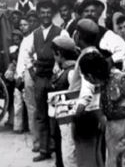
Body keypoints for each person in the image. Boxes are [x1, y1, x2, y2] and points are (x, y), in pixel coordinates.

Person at [17, 0, 70, 162]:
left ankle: (58, 149)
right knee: (41, 115)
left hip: (55, 79)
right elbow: (26, 53)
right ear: (39, 14)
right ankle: (44, 149)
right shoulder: (34, 34)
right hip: (40, 78)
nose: (45, 15)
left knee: (56, 114)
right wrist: (31, 71)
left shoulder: (61, 32)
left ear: (52, 14)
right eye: (42, 12)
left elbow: (68, 51)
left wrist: (59, 68)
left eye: (48, 12)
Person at [70, 24, 109, 167]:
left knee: (86, 154)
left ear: (78, 36)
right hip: (94, 110)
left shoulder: (87, 56)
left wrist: (78, 110)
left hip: (87, 112)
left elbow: (88, 87)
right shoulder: (92, 52)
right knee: (96, 152)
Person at [49, 36, 79, 167]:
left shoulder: (71, 72)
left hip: (68, 120)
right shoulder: (64, 69)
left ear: (59, 54)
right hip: (61, 118)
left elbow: (75, 95)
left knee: (68, 149)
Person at [5, 30, 24, 131]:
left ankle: (17, 122)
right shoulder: (11, 48)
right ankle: (11, 119)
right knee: (12, 99)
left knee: (17, 100)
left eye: (18, 39)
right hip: (13, 75)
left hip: (19, 74)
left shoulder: (22, 48)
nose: (16, 40)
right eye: (14, 39)